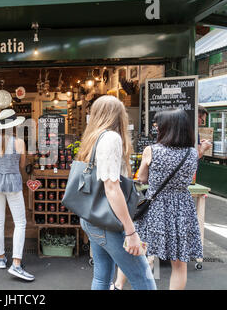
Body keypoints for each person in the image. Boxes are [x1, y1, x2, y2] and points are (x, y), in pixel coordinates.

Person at [113, 109, 202, 290]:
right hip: (182, 208)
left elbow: (143, 178)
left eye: (158, 126)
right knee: (179, 262)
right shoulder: (192, 153)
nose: (156, 128)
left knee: (135, 250)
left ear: (167, 128)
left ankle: (118, 286)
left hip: (155, 206)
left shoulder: (152, 150)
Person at [76, 95, 156, 290]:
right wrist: (131, 232)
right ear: (119, 115)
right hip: (108, 222)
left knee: (102, 278)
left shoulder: (93, 138)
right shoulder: (111, 138)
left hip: (92, 217)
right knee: (144, 280)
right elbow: (111, 188)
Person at [0, 109, 35, 281]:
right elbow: (21, 165)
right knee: (20, 222)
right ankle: (17, 264)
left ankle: (1, 258)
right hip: (12, 183)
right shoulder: (19, 142)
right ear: (14, 125)